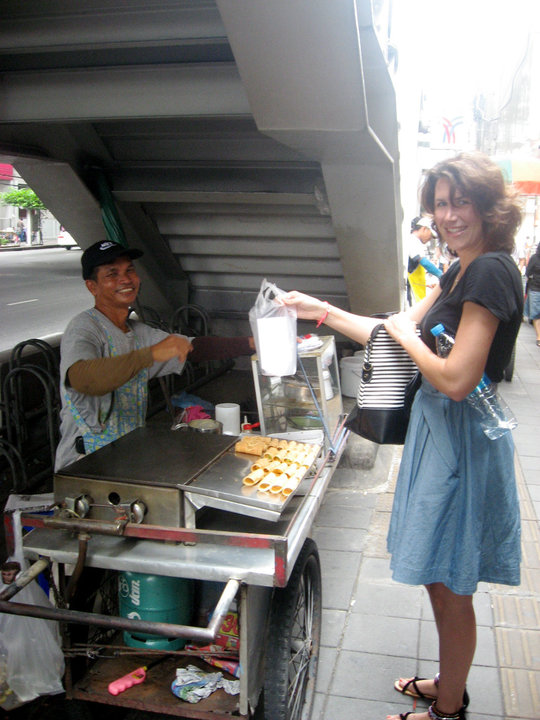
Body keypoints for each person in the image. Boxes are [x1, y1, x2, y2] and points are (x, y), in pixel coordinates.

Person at [282, 152, 523, 720]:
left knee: (451, 580)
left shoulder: (490, 269)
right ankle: (449, 684)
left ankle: (448, 709)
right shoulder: (460, 269)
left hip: (461, 438)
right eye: (440, 203)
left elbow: (458, 377)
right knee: (440, 574)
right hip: (441, 434)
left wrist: (405, 336)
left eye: (461, 200)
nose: (448, 214)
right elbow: (390, 334)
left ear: (489, 206)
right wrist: (320, 311)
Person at [55, 240, 254, 471]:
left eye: (129, 270)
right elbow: (81, 378)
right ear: (92, 287)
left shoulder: (138, 331)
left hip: (126, 455)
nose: (125, 279)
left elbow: (191, 348)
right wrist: (149, 355)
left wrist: (252, 343)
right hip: (84, 464)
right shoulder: (84, 328)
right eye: (112, 274)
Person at [407, 216, 442, 304]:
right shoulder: (412, 240)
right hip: (412, 291)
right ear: (424, 229)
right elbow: (424, 263)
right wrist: (442, 276)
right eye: (431, 235)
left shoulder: (418, 243)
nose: (430, 239)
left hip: (417, 290)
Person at [525, 242, 540, 346]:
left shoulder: (535, 258)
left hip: (535, 287)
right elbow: (528, 272)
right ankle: (539, 336)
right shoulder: (535, 258)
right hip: (535, 288)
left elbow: (528, 272)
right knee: (536, 313)